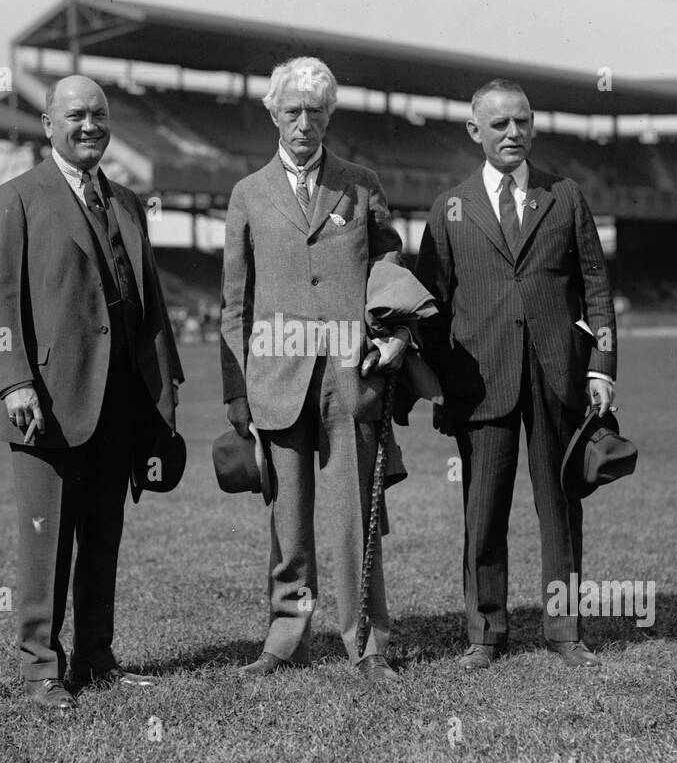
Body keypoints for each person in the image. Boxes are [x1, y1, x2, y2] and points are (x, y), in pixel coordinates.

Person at [0, 75, 183, 710]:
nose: (88, 125)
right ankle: (41, 668)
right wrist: (13, 381)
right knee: (46, 537)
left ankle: (96, 657)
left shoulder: (125, 201)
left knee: (103, 535)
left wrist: (162, 397)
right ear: (47, 123)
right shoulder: (16, 198)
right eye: (74, 116)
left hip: (119, 401)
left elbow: (151, 308)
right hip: (48, 403)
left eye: (98, 114)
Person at [415, 79, 617, 671]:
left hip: (559, 374)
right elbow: (432, 305)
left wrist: (601, 366)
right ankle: (485, 633)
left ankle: (564, 631)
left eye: (523, 122)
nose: (514, 134)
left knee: (560, 505)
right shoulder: (449, 208)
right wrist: (438, 384)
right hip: (480, 380)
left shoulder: (567, 196)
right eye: (500, 124)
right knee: (483, 510)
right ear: (474, 130)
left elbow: (597, 288)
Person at [220, 56, 409, 685]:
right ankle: (286, 639)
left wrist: (392, 340)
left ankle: (368, 644)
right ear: (273, 113)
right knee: (289, 526)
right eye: (293, 110)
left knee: (357, 520)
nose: (305, 123)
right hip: (275, 384)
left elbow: (391, 276)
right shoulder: (247, 194)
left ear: (330, 115)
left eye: (317, 111)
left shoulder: (361, 184)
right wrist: (238, 400)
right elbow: (234, 307)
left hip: (350, 381)